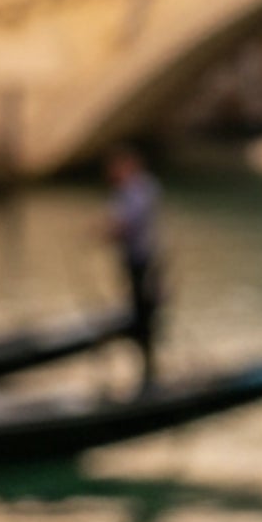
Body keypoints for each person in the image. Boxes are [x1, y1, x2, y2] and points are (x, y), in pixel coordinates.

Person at [104, 146, 164, 386]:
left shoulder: (138, 190)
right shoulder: (133, 190)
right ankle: (145, 366)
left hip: (143, 259)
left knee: (143, 311)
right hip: (136, 258)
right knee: (139, 306)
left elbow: (128, 224)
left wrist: (104, 232)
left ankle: (149, 370)